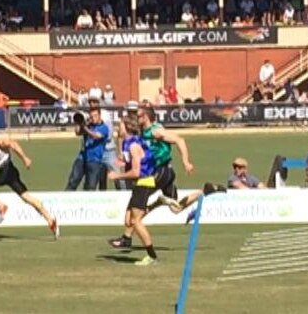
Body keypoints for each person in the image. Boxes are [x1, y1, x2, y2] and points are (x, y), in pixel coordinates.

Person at [108, 106, 204, 248]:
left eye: (138, 115)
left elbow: (179, 140)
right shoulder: (141, 133)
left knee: (136, 209)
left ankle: (127, 238)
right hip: (159, 173)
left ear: (145, 117)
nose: (136, 118)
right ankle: (204, 191)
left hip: (161, 172)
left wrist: (185, 161)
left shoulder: (155, 131)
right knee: (176, 208)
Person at [107, 116, 179, 265]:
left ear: (126, 127)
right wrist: (122, 161)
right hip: (141, 182)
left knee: (135, 221)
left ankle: (152, 256)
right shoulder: (129, 142)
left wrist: (117, 176)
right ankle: (158, 202)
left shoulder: (133, 146)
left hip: (144, 182)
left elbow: (136, 172)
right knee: (129, 221)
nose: (117, 129)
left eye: (119, 126)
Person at [0, 125, 59, 238]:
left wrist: (24, 158)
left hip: (5, 172)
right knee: (26, 197)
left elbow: (13, 144)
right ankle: (51, 221)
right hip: (10, 171)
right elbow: (1, 157)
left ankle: (1, 206)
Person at [65, 106, 109, 190]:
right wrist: (79, 122)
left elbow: (96, 136)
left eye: (95, 116)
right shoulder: (88, 125)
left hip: (94, 160)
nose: (93, 118)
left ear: (100, 115)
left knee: (90, 186)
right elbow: (77, 132)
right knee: (73, 181)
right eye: (92, 116)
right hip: (82, 157)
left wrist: (85, 128)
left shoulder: (104, 127)